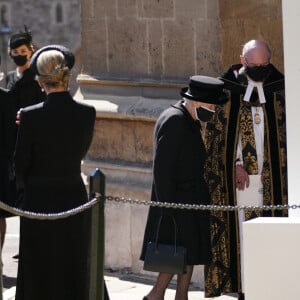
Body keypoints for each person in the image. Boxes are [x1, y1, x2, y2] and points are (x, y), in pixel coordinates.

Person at [204, 40, 287, 300]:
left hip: (270, 180)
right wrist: (235, 166)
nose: (260, 69)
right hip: (238, 184)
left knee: (269, 230)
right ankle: (244, 288)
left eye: (264, 65)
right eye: (254, 65)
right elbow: (215, 139)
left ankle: (271, 286)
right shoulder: (226, 91)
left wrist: (274, 167)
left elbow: (286, 135)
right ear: (243, 59)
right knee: (241, 233)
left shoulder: (280, 89)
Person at [14, 45, 96, 300]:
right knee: (73, 258)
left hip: (38, 198)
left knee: (40, 264)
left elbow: (20, 163)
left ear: (40, 81)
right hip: (73, 194)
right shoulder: (87, 112)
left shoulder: (29, 116)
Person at [140, 75, 229, 300]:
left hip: (190, 199)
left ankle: (182, 296)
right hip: (176, 201)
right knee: (175, 253)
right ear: (196, 102)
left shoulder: (187, 119)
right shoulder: (175, 120)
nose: (212, 110)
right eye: (210, 106)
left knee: (188, 253)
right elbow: (162, 169)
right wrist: (167, 207)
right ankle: (155, 296)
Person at [0, 26, 45, 251]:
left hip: (30, 148)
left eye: (22, 51)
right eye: (15, 52)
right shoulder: (7, 79)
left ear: (30, 51)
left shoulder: (37, 81)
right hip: (9, 149)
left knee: (29, 200)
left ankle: (28, 248)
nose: (19, 56)